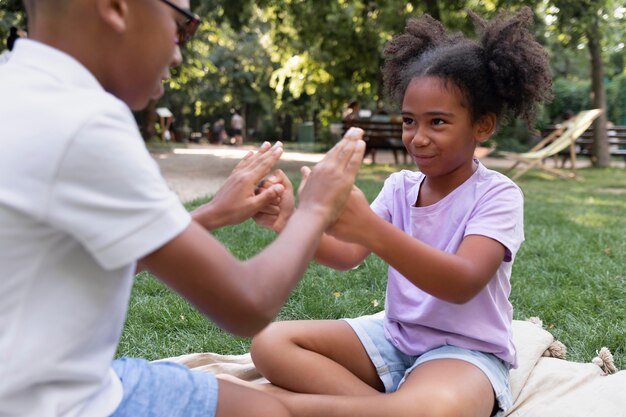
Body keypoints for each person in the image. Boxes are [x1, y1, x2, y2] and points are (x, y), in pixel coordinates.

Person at [0, 1, 366, 417]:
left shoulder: (18, 89)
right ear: (117, 8)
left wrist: (211, 214)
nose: (177, 52)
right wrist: (315, 207)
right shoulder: (85, 122)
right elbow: (247, 304)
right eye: (182, 27)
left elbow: (76, 255)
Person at [246, 7, 552, 417]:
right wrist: (288, 220)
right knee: (270, 343)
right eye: (410, 121)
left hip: (464, 351)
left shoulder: (497, 195)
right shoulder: (399, 187)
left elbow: (462, 282)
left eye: (437, 122)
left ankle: (272, 405)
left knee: (427, 411)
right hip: (396, 337)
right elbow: (344, 254)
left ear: (482, 126)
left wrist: (372, 229)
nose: (418, 138)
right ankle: (387, 408)